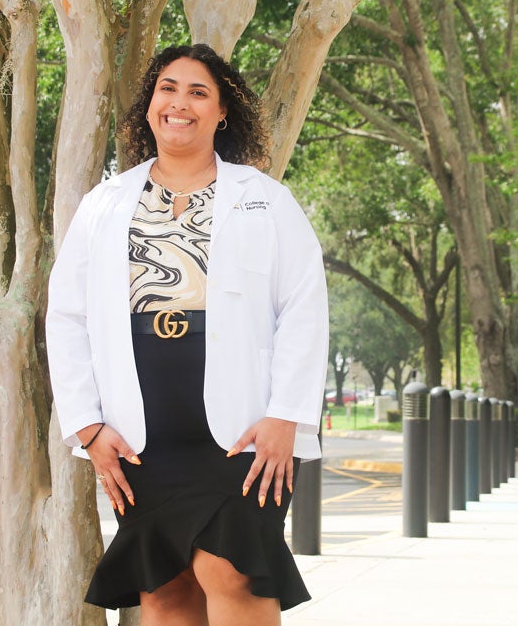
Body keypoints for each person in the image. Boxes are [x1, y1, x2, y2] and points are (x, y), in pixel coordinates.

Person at [46, 44, 328, 625]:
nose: (180, 103)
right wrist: (87, 426)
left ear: (223, 112)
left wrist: (286, 415)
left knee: (235, 573)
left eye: (199, 92)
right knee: (166, 588)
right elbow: (67, 317)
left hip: (246, 438)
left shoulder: (265, 200)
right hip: (140, 439)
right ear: (150, 105)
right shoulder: (105, 204)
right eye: (167, 89)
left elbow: (304, 306)